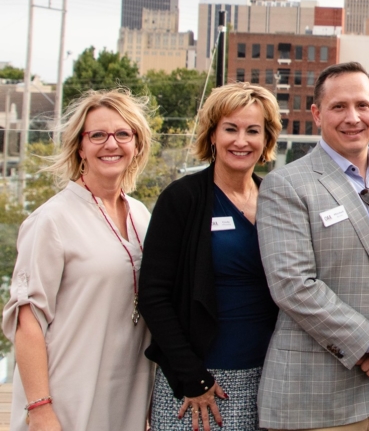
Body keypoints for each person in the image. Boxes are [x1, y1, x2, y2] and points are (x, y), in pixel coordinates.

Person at [256, 62, 369, 431]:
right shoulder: (286, 185)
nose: (352, 117)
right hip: (313, 399)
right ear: (316, 114)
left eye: (362, 105)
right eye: (338, 107)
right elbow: (293, 286)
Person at [2, 89, 155, 430]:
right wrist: (40, 410)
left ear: (137, 143)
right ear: (80, 147)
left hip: (126, 396)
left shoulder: (142, 217)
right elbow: (27, 324)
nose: (110, 144)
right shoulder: (51, 221)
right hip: (65, 399)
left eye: (122, 134)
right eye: (97, 135)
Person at [139, 82, 283, 431]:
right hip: (201, 382)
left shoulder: (277, 198)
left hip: (272, 378)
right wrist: (193, 377)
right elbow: (153, 296)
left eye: (253, 130)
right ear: (213, 135)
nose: (241, 140)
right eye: (230, 129)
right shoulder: (182, 198)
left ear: (266, 139)